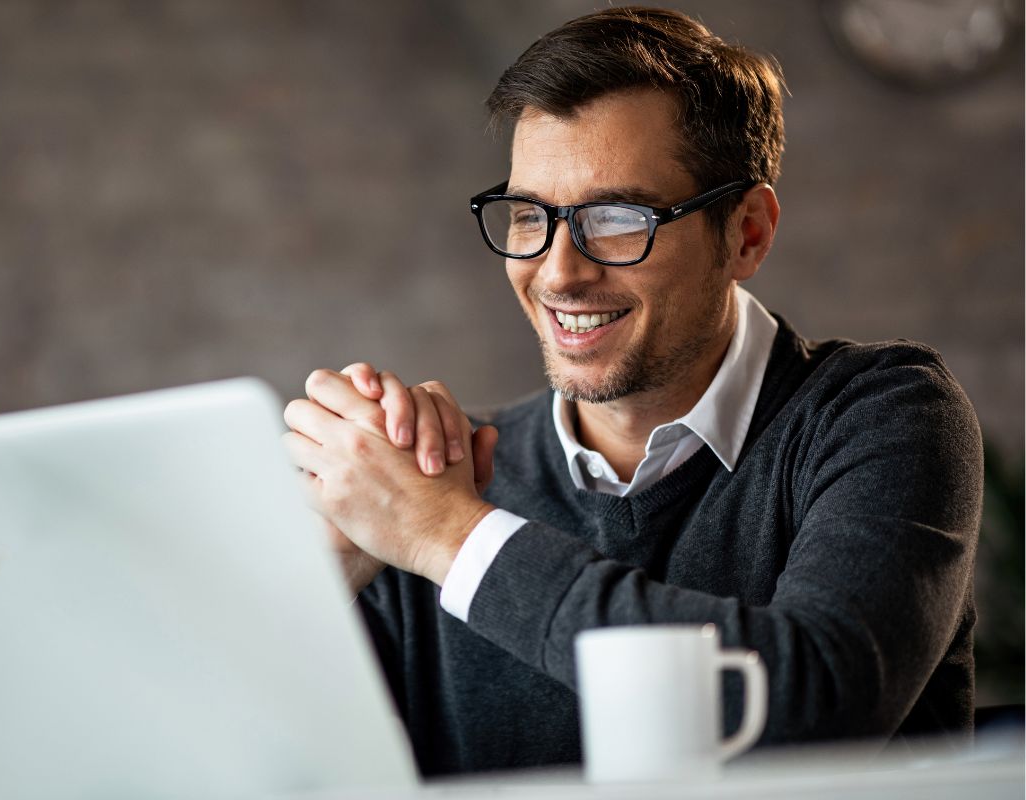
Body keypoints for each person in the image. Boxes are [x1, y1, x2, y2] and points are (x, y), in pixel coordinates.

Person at [282, 6, 982, 777]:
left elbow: (817, 697)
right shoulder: (432, 483)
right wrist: (326, 580)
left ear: (746, 232)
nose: (558, 273)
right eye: (529, 216)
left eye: (616, 218)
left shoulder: (884, 412)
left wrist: (448, 539)